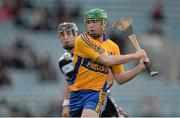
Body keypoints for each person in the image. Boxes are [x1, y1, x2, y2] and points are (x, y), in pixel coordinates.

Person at [68, 8, 149, 117]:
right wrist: (135, 56)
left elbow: (120, 78)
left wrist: (140, 67)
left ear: (104, 24)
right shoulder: (82, 40)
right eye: (88, 22)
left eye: (94, 21)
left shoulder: (113, 47)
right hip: (76, 94)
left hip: (97, 94)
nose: (90, 25)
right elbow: (106, 59)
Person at [58, 22, 128, 117]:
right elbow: (70, 83)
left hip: (98, 96)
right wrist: (66, 104)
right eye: (62, 34)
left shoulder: (90, 52)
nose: (66, 37)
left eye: (69, 33)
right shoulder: (62, 62)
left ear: (76, 35)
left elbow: (110, 73)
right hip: (79, 100)